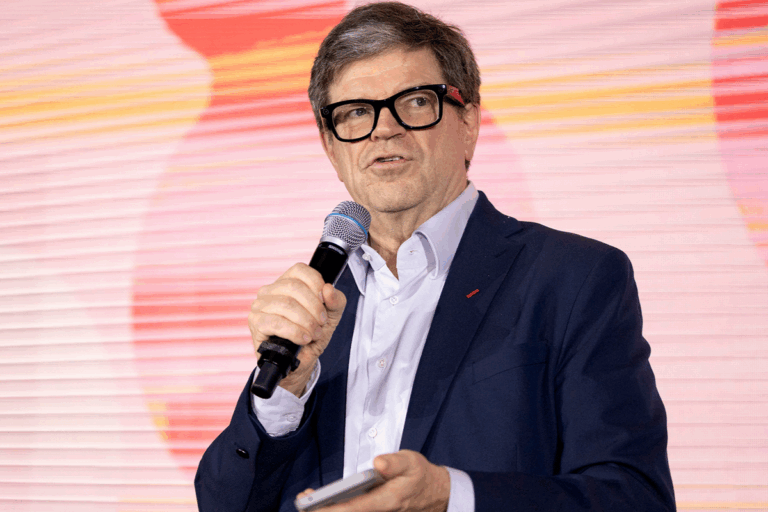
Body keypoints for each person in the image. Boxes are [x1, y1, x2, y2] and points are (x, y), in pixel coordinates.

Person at [194, 2, 676, 511]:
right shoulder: (315, 308)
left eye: (415, 101)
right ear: (331, 148)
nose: (383, 129)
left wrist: (453, 497)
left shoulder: (574, 278)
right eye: (355, 112)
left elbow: (634, 498)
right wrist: (285, 392)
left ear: (469, 121)